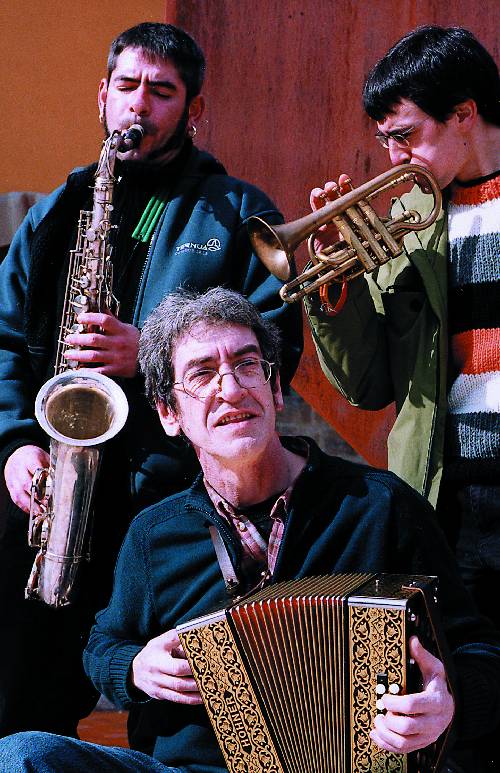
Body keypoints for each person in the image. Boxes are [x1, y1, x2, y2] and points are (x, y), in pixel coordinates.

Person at [1, 286, 498, 772]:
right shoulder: (154, 535)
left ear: (275, 389)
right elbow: (102, 646)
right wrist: (135, 668)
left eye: (247, 365)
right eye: (202, 373)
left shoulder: (381, 506)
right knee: (21, 755)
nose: (232, 388)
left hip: (357, 767)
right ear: (169, 414)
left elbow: (479, 651)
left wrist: (449, 704)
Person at [0, 22, 302, 739]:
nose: (140, 104)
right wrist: (14, 443)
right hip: (55, 491)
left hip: (173, 495)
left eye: (162, 91)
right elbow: (6, 338)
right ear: (102, 96)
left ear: (194, 110)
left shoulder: (239, 211)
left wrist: (153, 354)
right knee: (22, 704)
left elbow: (275, 341)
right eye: (128, 86)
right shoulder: (55, 213)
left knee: (171, 708)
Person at [305, 26, 500, 627]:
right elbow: (369, 386)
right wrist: (335, 282)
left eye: (405, 135)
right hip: (448, 497)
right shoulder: (408, 220)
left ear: (463, 114)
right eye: (384, 139)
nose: (393, 158)